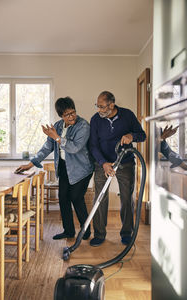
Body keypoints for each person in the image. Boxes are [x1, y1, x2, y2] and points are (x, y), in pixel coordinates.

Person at [16, 97, 94, 240]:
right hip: (64, 167)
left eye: (73, 112)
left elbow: (75, 148)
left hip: (81, 168)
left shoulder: (83, 126)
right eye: (67, 114)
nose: (71, 116)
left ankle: (86, 230)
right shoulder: (58, 126)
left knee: (76, 198)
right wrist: (31, 163)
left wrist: (57, 137)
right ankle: (68, 231)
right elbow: (47, 147)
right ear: (61, 116)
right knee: (63, 198)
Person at [89, 91, 146, 247]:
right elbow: (93, 145)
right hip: (103, 163)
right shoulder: (95, 120)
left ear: (111, 105)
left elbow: (142, 135)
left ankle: (127, 233)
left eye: (101, 106)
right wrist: (103, 163)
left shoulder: (127, 115)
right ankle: (100, 234)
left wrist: (131, 136)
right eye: (97, 106)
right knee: (100, 197)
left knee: (127, 198)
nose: (99, 109)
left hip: (125, 162)